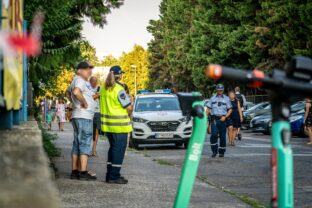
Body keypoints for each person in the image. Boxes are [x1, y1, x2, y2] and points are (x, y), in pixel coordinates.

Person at [100, 65, 133, 184]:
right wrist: (130, 113)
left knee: (113, 149)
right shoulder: (119, 89)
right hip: (120, 125)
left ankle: (109, 174)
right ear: (120, 75)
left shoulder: (103, 88)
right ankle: (114, 176)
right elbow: (128, 107)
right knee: (119, 151)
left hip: (108, 125)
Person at [66, 61, 97, 180]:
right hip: (84, 116)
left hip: (78, 115)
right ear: (79, 70)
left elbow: (68, 92)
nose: (89, 71)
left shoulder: (76, 80)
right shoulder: (80, 80)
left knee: (77, 143)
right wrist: (83, 102)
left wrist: (74, 103)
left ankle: (75, 171)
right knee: (84, 142)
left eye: (90, 69)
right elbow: (75, 92)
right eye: (86, 69)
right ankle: (83, 173)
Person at [206, 84, 232, 158]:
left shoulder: (227, 99)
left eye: (221, 90)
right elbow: (208, 108)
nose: (220, 91)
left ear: (223, 90)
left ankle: (221, 152)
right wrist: (205, 116)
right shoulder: (212, 98)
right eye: (218, 90)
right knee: (213, 135)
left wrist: (225, 117)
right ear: (216, 90)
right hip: (214, 119)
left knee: (222, 136)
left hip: (223, 119)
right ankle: (214, 151)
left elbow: (230, 109)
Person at [90, 76, 101, 157]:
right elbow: (89, 99)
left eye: (95, 81)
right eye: (93, 81)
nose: (94, 83)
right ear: (90, 82)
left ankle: (94, 150)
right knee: (89, 132)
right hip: (89, 113)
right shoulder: (87, 89)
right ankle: (88, 149)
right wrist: (96, 96)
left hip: (97, 112)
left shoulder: (100, 88)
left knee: (96, 132)